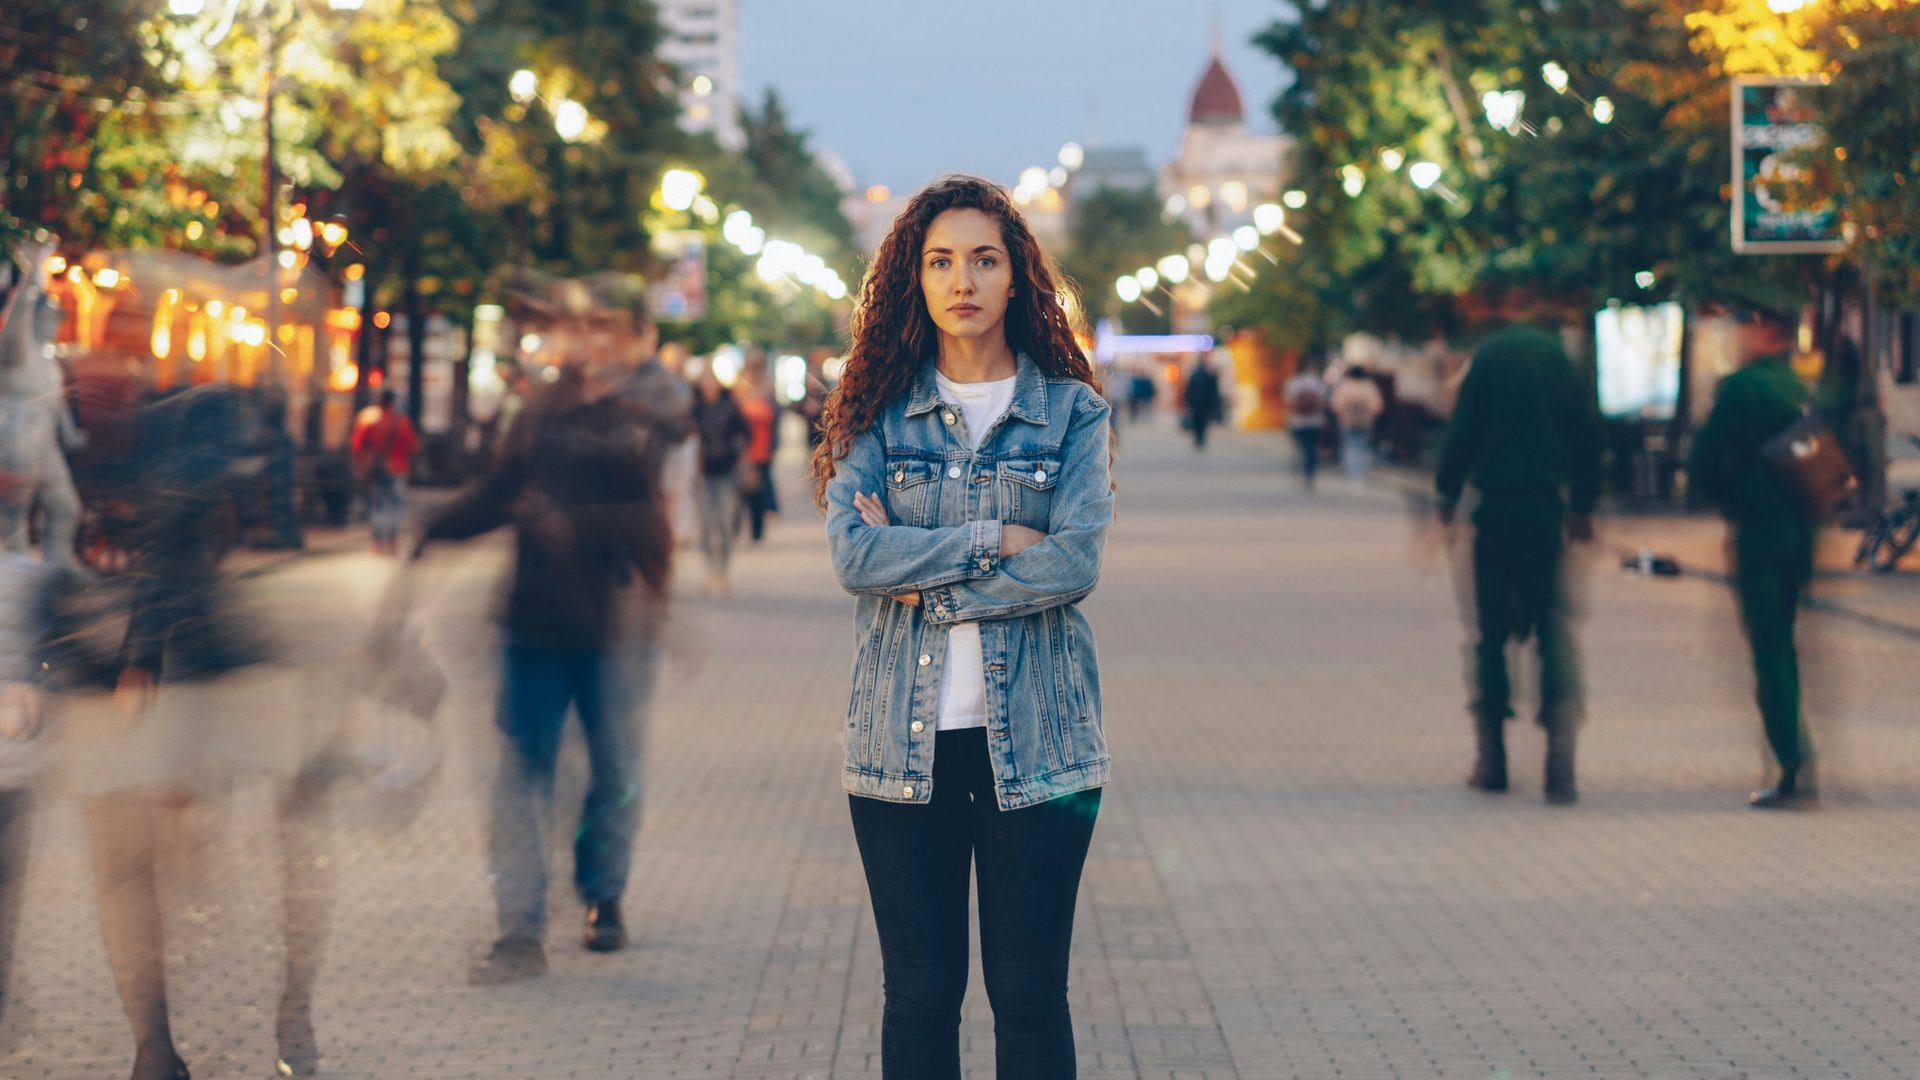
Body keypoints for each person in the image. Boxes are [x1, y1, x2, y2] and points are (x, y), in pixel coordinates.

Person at [813, 174, 1114, 1078]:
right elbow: (854, 560)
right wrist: (994, 540)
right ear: (916, 278)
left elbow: (1074, 564)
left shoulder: (1073, 412)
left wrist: (924, 570)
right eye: (940, 260)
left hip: (1044, 745)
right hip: (899, 749)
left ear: (1017, 276)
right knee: (919, 997)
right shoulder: (873, 410)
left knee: (1028, 999)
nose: (963, 280)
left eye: (984, 259)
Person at [417, 335, 672, 984]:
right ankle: (519, 929)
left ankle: (603, 897)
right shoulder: (535, 421)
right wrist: (434, 530)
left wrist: (571, 525)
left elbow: (646, 525)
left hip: (606, 630)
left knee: (610, 771)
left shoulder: (624, 429)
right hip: (531, 627)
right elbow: (497, 493)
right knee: (521, 776)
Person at [1435, 324, 1600, 805]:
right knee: (1554, 630)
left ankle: (1493, 761)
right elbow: (1584, 434)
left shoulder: (1486, 359)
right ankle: (1561, 764)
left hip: (1495, 512)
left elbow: (1463, 429)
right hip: (1546, 513)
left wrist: (1445, 498)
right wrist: (1584, 507)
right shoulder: (1559, 361)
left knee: (1490, 635)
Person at [1687, 308, 1817, 808]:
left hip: (1760, 535)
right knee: (1785, 644)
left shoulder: (1742, 389)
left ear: (1765, 332)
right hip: (1800, 534)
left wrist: (1717, 493)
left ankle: (1792, 764)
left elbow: (1703, 458)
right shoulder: (1797, 385)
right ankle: (1796, 759)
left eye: (1744, 326)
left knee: (1770, 651)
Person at [690, 368, 750, 595]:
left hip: (727, 471)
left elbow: (745, 432)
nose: (709, 385)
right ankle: (709, 572)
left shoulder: (729, 406)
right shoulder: (694, 410)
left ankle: (722, 573)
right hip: (703, 472)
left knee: (724, 524)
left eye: (711, 380)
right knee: (705, 525)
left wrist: (736, 450)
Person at [350, 390, 419, 555]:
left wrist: (365, 460)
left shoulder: (372, 423)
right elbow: (414, 445)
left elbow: (357, 445)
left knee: (378, 504)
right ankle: (392, 541)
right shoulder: (403, 423)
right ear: (393, 402)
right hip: (398, 468)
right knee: (396, 505)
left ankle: (377, 541)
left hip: (379, 469)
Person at [734, 354, 779, 542]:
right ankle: (736, 527)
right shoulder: (738, 391)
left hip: (762, 448)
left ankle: (757, 530)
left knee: (758, 491)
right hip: (742, 450)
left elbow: (773, 417)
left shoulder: (767, 391)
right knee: (740, 489)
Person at [1331, 365, 1385, 485]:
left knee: (1349, 446)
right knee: (1362, 447)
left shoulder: (1345, 386)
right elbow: (1377, 406)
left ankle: (1351, 473)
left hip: (1347, 420)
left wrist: (1342, 416)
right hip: (1365, 421)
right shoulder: (1369, 386)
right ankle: (1360, 473)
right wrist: (1370, 416)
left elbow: (1336, 405)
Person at [1283, 361, 1330, 491]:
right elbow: (1324, 401)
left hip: (1297, 421)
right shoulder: (1318, 383)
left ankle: (1299, 472)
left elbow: (1288, 402)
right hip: (1315, 421)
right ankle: (1310, 473)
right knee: (1312, 449)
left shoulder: (1293, 382)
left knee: (1299, 448)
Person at [1182, 356, 1222, 449]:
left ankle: (1197, 438)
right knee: (1204, 421)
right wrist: (1215, 402)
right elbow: (1213, 390)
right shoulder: (1209, 376)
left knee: (1196, 420)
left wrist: (1187, 401)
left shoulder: (1194, 376)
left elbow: (1189, 389)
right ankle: (1202, 438)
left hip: (1195, 402)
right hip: (1205, 403)